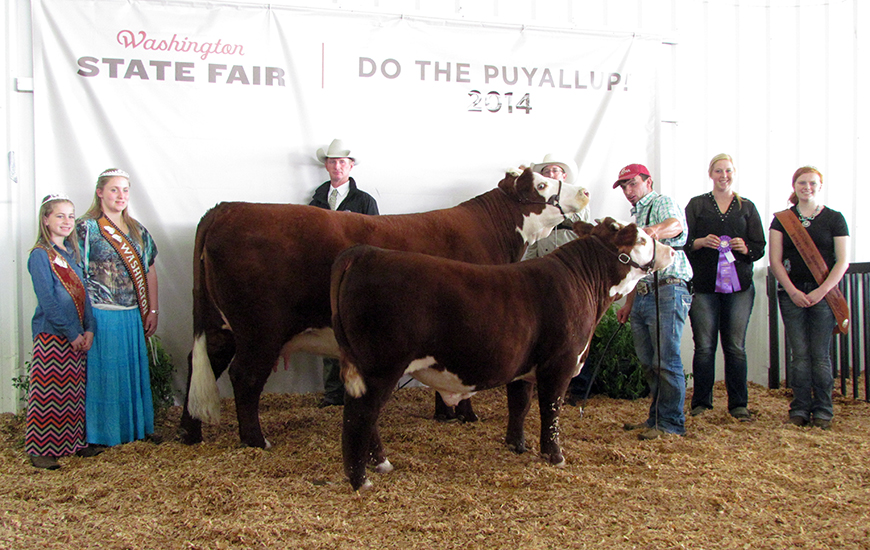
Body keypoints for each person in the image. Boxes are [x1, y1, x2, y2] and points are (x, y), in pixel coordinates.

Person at [77, 168, 159, 446]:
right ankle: (100, 436)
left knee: (131, 375)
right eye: (114, 189)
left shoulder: (138, 230)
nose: (121, 195)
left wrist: (153, 310)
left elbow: (150, 271)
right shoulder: (85, 228)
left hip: (132, 313)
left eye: (125, 190)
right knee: (104, 376)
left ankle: (136, 430)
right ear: (100, 192)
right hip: (100, 313)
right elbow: (77, 273)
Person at [614, 164, 693, 440]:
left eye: (632, 184)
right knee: (648, 361)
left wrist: (651, 231)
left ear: (648, 182)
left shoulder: (662, 202)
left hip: (669, 288)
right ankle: (656, 418)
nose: (627, 191)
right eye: (624, 186)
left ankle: (671, 423)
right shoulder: (634, 214)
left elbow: (676, 225)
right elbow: (638, 268)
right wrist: (628, 303)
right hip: (645, 291)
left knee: (666, 359)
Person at [684, 154, 766, 421]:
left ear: (734, 173)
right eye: (718, 171)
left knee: (735, 346)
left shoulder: (747, 207)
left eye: (728, 171)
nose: (723, 176)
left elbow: (760, 247)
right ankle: (701, 403)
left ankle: (738, 404)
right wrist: (699, 242)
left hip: (739, 287)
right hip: (704, 286)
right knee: (705, 346)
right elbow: (683, 242)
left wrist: (746, 248)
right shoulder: (697, 205)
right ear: (710, 174)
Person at [769, 166, 849, 430]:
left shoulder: (835, 219)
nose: (807, 187)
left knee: (820, 354)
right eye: (802, 183)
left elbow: (842, 261)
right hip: (792, 293)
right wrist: (792, 290)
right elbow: (775, 261)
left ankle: (824, 409)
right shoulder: (782, 220)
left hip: (823, 295)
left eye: (812, 183)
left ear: (820, 186)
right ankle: (800, 407)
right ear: (794, 186)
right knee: (799, 354)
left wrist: (820, 291)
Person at [25, 195, 97, 469]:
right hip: (53, 335)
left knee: (73, 393)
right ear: (46, 219)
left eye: (70, 216)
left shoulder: (71, 255)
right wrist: (71, 333)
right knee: (48, 392)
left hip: (77, 334)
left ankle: (72, 443)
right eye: (59, 216)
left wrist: (89, 329)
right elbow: (48, 301)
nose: (67, 222)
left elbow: (84, 296)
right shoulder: (40, 256)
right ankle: (41, 449)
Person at [309, 139, 379, 407]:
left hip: (358, 276)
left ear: (350, 166)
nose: (337, 166)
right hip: (325, 274)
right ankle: (333, 392)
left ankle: (361, 390)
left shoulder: (365, 201)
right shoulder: (315, 201)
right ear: (326, 166)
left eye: (342, 162)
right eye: (332, 161)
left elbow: (376, 242)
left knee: (359, 330)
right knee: (330, 328)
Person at [522, 154, 591, 261]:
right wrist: (526, 265)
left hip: (571, 259)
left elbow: (581, 220)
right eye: (546, 171)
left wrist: (556, 206)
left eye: (555, 170)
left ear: (564, 176)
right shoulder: (537, 202)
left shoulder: (577, 194)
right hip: (543, 260)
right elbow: (534, 237)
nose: (551, 174)